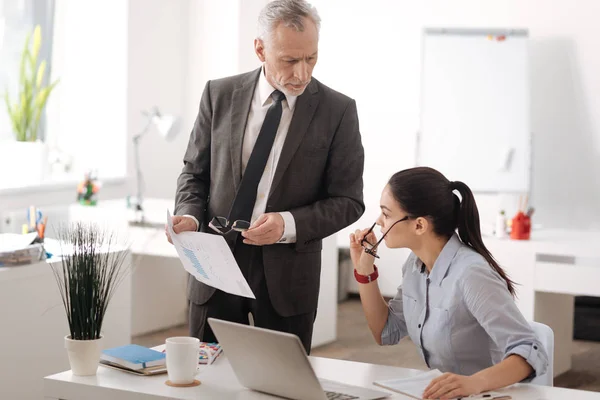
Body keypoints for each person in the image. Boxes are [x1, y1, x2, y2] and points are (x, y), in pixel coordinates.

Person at [168, 0, 364, 353]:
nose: (302, 73)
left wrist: (287, 224)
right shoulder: (219, 94)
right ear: (260, 49)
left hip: (288, 273)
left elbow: (348, 202)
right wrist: (190, 216)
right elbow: (194, 174)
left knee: (282, 382)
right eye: (290, 60)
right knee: (205, 382)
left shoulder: (338, 111)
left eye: (311, 58)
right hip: (215, 266)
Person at [349, 167, 548, 399]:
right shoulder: (415, 265)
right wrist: (364, 271)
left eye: (386, 214)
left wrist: (474, 383)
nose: (379, 221)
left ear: (420, 225)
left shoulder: (471, 275)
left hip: (488, 394)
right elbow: (386, 331)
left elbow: (531, 351)